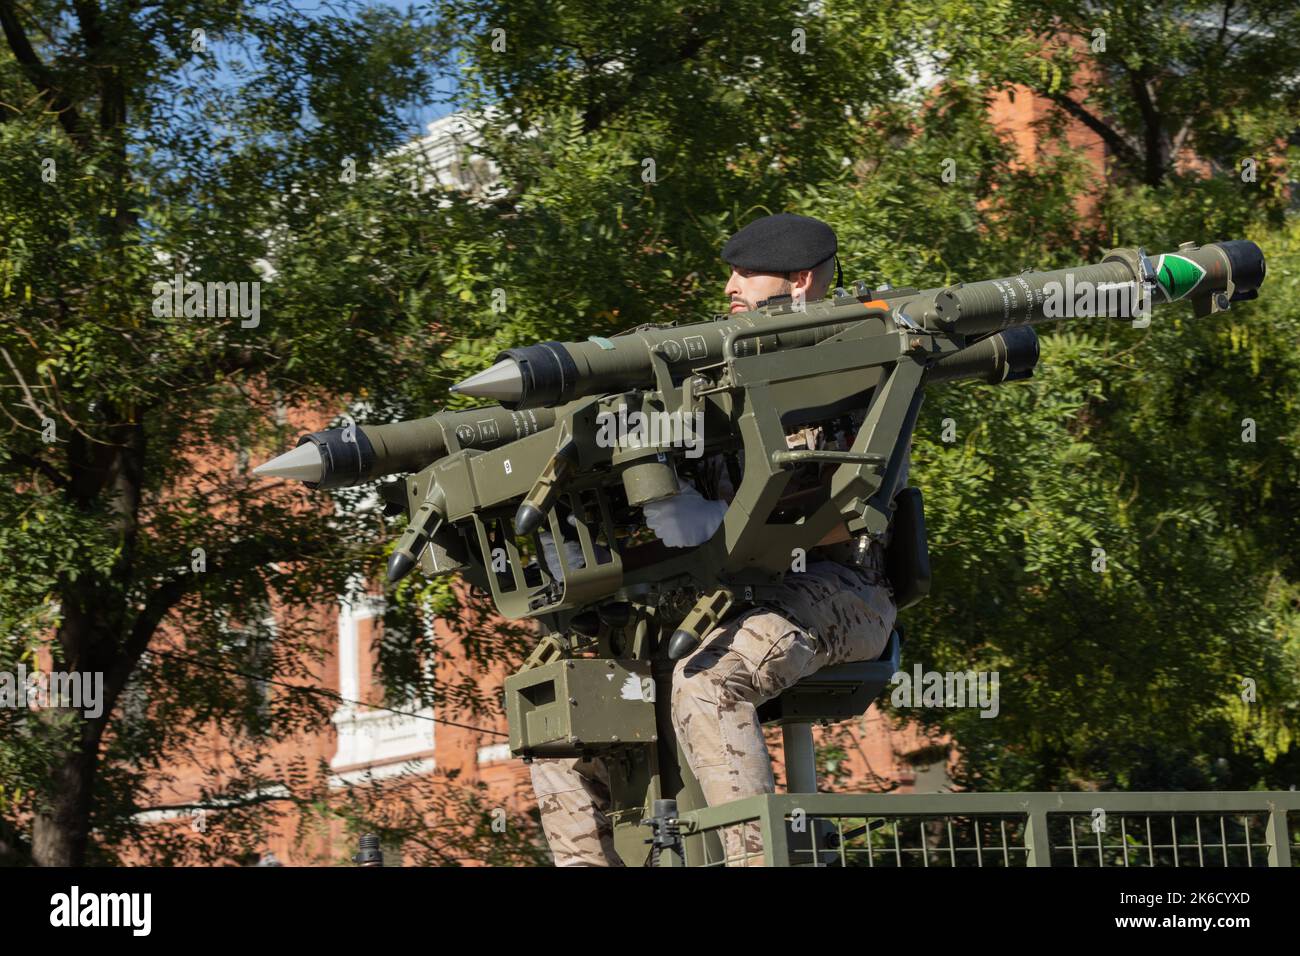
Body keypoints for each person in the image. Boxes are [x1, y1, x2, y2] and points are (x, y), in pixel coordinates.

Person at [530, 213, 907, 866]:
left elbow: (841, 513)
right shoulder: (713, 370)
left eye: (746, 272)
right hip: (720, 597)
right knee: (569, 717)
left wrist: (714, 524)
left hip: (837, 590)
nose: (730, 284)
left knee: (710, 683)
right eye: (729, 271)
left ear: (801, 280)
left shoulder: (855, 371)